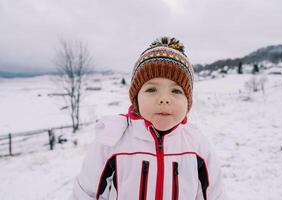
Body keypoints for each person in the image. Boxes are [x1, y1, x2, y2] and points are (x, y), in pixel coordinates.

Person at [71, 36, 226, 199]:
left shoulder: (197, 145)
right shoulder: (111, 141)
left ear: (188, 101)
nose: (164, 99)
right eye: (152, 90)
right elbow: (86, 194)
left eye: (176, 91)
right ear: (136, 98)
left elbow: (215, 195)